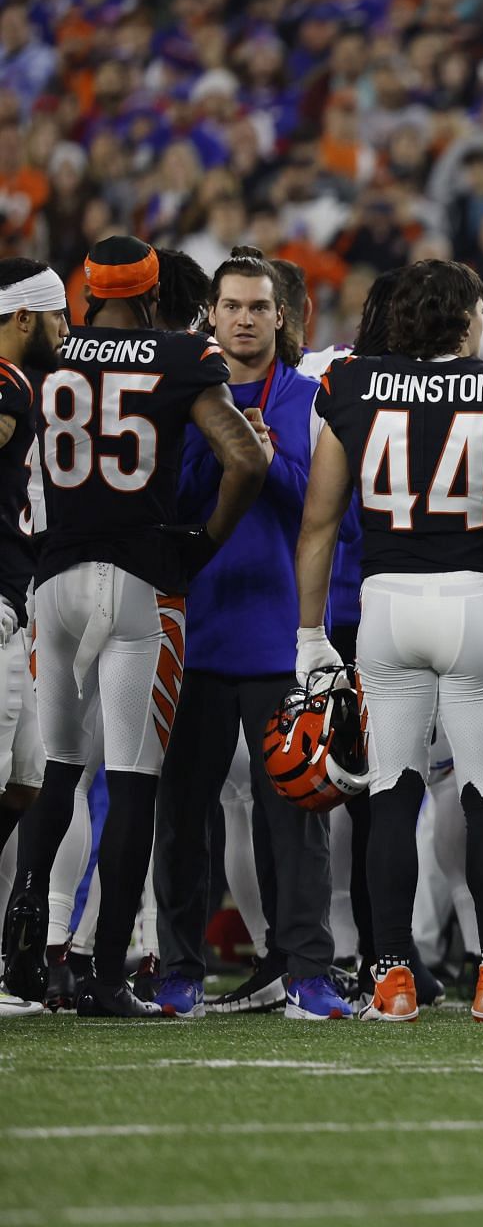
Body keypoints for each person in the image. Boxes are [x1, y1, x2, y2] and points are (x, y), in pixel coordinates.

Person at [294, 258, 483, 1023]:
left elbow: (319, 521)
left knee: (393, 792)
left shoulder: (352, 383)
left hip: (385, 606)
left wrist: (307, 631)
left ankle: (390, 977)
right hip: (470, 602)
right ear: (463, 317)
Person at [16, 235, 267, 1017]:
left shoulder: (50, 352)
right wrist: (202, 546)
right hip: (140, 584)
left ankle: (26, 956)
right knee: (131, 785)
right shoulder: (179, 356)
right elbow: (245, 459)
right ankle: (106, 975)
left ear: (88, 289)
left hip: (51, 581)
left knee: (56, 772)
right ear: (155, 290)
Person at [152, 251, 347, 1020]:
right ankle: (178, 971)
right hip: (195, 633)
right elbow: (171, 503)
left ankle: (309, 973)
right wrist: (222, 454)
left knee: (296, 816)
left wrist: (267, 464)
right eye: (230, 306)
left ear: (280, 317)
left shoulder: (310, 398)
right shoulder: (186, 395)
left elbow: (330, 515)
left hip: (279, 634)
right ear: (211, 316)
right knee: (183, 814)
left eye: (257, 307)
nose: (243, 319)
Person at [0, 257, 62, 1017]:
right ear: (24, 318)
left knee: (25, 780)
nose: (65, 331)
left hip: (13, 602)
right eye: (56, 318)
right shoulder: (9, 381)